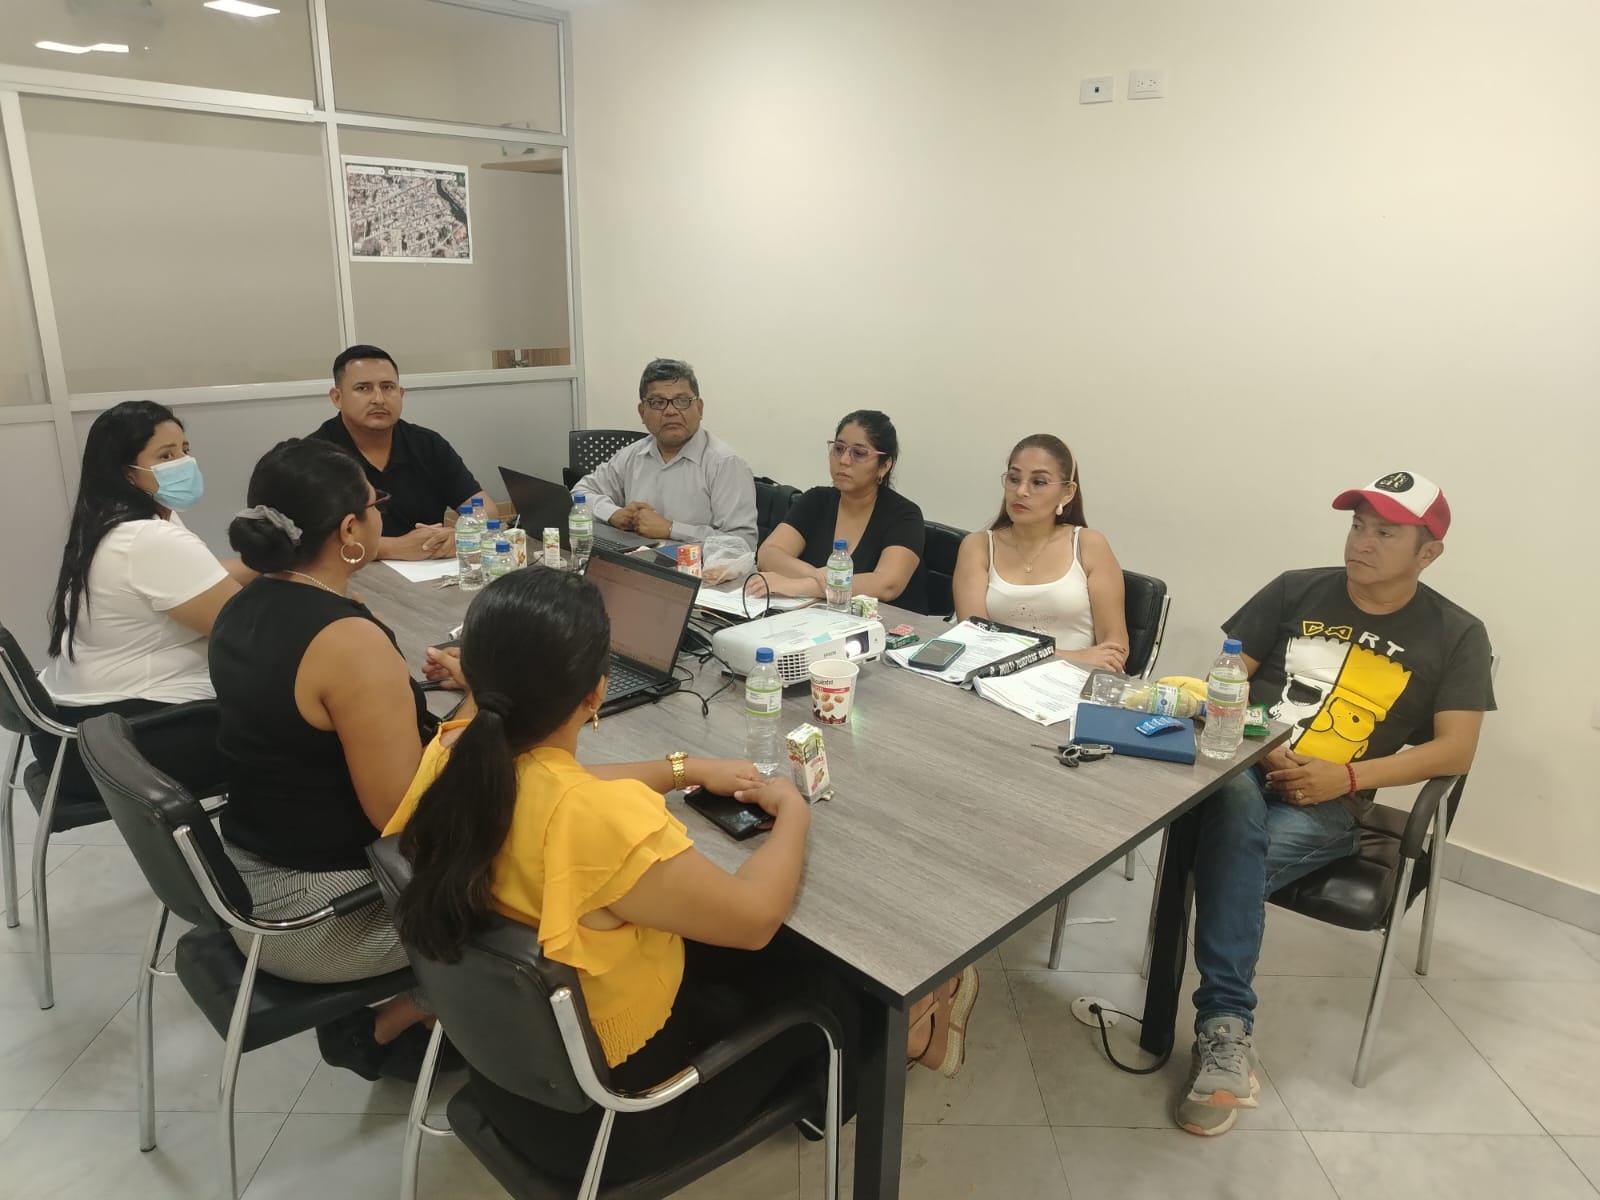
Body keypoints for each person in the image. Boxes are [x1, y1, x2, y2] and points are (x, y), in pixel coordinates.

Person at [385, 569, 979, 1183]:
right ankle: (904, 1045)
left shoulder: (452, 757)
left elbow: (562, 786)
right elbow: (754, 918)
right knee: (829, 982)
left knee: (731, 949)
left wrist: (683, 768)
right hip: (614, 1122)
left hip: (510, 1077)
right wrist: (794, 814)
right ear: (596, 692)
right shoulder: (599, 822)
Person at [1177, 471, 1495, 1137]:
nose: (1362, 542)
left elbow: (1456, 751)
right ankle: (1226, 1031)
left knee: (1223, 854)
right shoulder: (1295, 588)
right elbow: (1224, 681)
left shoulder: (1457, 633)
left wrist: (1346, 778)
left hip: (1330, 804)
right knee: (1233, 808)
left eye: (1386, 533)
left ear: (1429, 552)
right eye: (1357, 525)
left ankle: (1220, 1031)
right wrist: (1263, 748)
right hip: (1243, 767)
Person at [211, 438, 438, 1080]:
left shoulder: (244, 605)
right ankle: (392, 1021)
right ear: (349, 531)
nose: (379, 513)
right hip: (319, 915)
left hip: (249, 876)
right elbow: (403, 817)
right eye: (375, 503)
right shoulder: (346, 641)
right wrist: (484, 706)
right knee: (546, 883)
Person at [37, 400, 246, 800]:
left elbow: (201, 575)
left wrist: (266, 567)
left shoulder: (115, 520)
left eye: (184, 450)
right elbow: (248, 632)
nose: (184, 463)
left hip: (79, 731)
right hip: (124, 741)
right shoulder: (148, 539)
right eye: (165, 456)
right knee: (298, 719)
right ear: (127, 472)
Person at [952, 434, 1130, 671]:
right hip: (993, 678)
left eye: (1038, 482)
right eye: (1014, 479)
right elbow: (974, 637)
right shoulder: (977, 546)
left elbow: (1115, 650)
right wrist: (1070, 656)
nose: (1021, 491)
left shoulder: (1089, 545)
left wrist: (1072, 662)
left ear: (1067, 493)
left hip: (1072, 681)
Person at [309, 344, 496, 562]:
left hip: (430, 571)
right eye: (363, 388)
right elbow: (306, 539)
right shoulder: (315, 456)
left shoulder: (427, 444)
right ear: (337, 398)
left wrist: (460, 535)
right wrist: (392, 548)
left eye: (387, 387)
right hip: (349, 572)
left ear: (401, 393)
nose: (379, 399)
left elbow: (487, 510)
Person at [572, 357, 758, 549]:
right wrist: (612, 514)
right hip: (636, 562)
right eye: (658, 402)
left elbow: (743, 543)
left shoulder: (725, 463)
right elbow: (579, 494)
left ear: (699, 408)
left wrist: (671, 529)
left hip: (697, 566)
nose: (670, 411)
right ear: (642, 412)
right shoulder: (633, 455)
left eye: (682, 401)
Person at [755, 410, 927, 608]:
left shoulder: (905, 515)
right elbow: (768, 554)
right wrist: (816, 576)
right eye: (839, 448)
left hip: (883, 623)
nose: (844, 460)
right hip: (816, 616)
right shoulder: (816, 500)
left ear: (884, 465)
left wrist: (800, 586)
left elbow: (886, 585)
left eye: (859, 453)